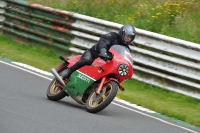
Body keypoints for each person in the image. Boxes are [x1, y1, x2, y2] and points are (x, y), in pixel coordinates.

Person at [61, 24, 136, 80]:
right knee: (87, 59)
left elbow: (125, 59)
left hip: (107, 63)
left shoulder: (126, 49)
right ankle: (68, 71)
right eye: (127, 36)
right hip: (94, 55)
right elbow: (103, 41)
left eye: (130, 38)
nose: (128, 39)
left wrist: (129, 70)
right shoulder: (112, 36)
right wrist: (103, 51)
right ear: (122, 34)